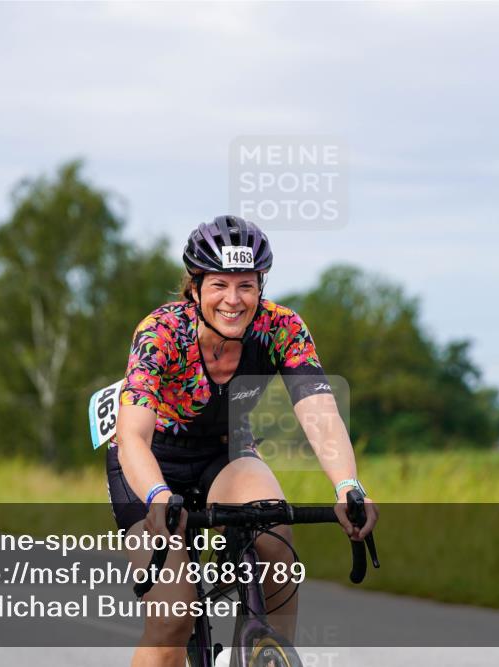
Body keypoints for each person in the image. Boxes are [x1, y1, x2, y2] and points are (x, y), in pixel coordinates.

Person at [109, 215, 379, 667]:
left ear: (261, 285)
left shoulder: (281, 328)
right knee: (172, 616)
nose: (233, 300)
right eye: (219, 285)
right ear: (195, 287)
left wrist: (347, 486)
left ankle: (266, 654)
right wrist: (158, 496)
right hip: (153, 461)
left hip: (227, 452)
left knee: (275, 537)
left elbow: (320, 413)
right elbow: (133, 434)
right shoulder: (160, 333)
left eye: (246, 285)